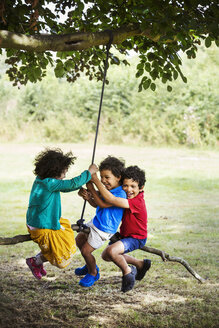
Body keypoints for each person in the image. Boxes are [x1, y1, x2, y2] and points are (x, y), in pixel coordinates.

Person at [25, 147, 98, 280]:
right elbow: (71, 184)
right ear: (54, 172)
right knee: (62, 251)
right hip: (42, 227)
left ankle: (37, 262)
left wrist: (78, 187)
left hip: (38, 223)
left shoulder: (41, 180)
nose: (64, 176)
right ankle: (35, 262)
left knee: (57, 243)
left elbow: (66, 186)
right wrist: (89, 173)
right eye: (63, 173)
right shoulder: (49, 184)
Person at [91, 165, 151, 292]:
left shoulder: (137, 202)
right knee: (106, 255)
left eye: (133, 186)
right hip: (125, 235)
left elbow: (111, 199)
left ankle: (128, 272)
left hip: (136, 238)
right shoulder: (126, 197)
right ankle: (140, 264)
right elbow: (104, 201)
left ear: (141, 188)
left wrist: (95, 180)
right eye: (125, 185)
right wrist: (90, 193)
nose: (128, 189)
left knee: (112, 252)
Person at [75, 156, 126, 287]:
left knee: (86, 251)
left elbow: (104, 204)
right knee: (79, 240)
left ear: (118, 177)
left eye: (106, 177)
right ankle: (89, 264)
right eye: (101, 177)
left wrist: (93, 185)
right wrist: (88, 197)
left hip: (104, 229)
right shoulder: (108, 190)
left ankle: (93, 272)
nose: (103, 181)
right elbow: (97, 204)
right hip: (96, 223)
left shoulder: (120, 194)